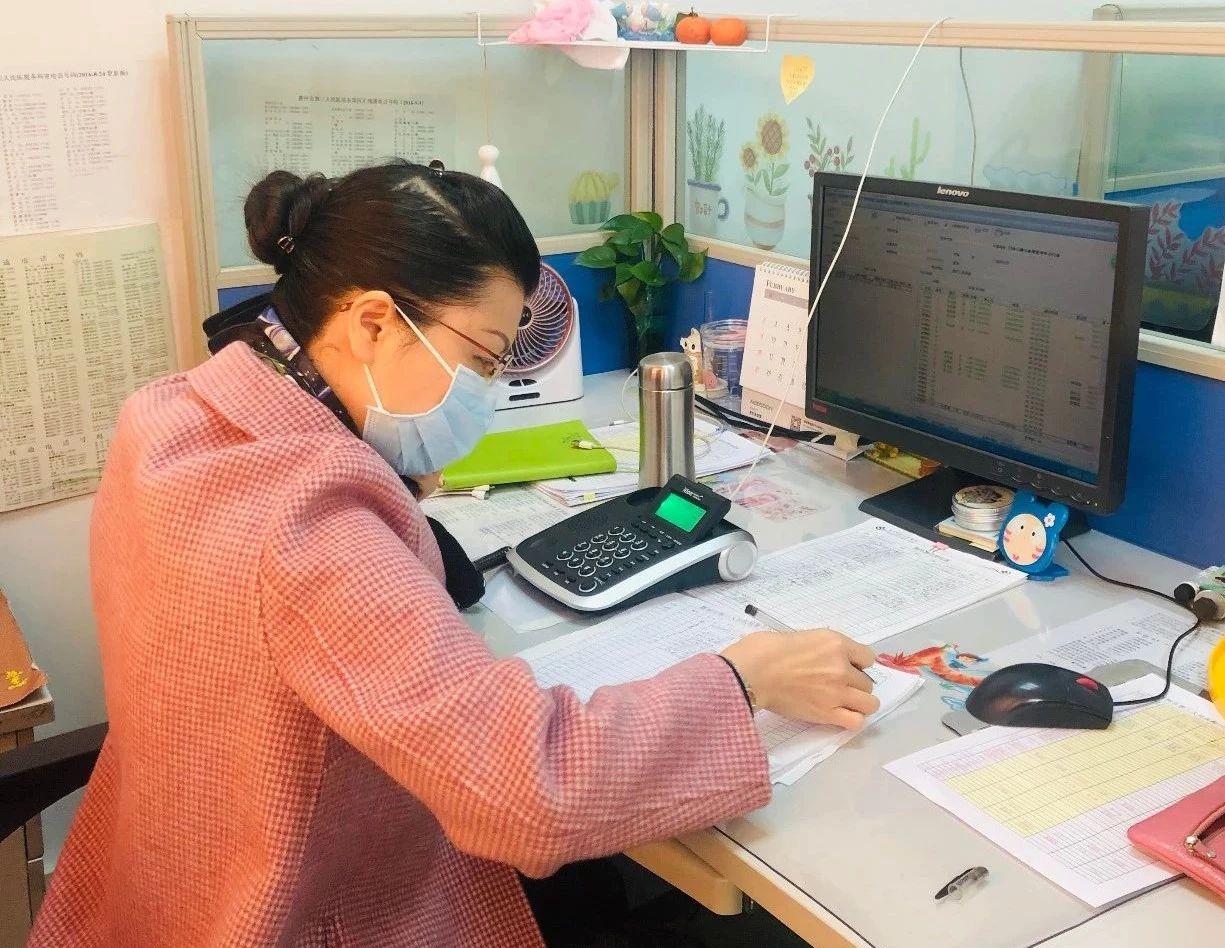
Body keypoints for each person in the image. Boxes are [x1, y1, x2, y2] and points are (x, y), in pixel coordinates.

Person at [30, 160, 879, 947]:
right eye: (481, 359)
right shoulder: (311, 529)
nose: (486, 391)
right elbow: (529, 790)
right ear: (371, 322)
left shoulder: (171, 418)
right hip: (287, 909)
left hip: (167, 879)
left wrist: (382, 476)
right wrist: (744, 682)